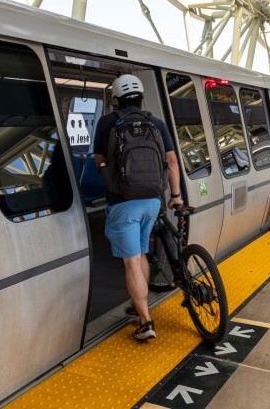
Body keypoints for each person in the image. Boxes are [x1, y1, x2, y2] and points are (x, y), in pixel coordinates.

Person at [93, 74, 183, 340]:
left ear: (116, 100)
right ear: (141, 98)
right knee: (141, 253)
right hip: (153, 202)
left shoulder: (108, 123)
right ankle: (140, 303)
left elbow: (98, 161)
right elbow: (172, 162)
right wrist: (175, 196)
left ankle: (145, 321)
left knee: (131, 261)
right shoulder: (155, 122)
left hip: (123, 204)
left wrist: (112, 180)